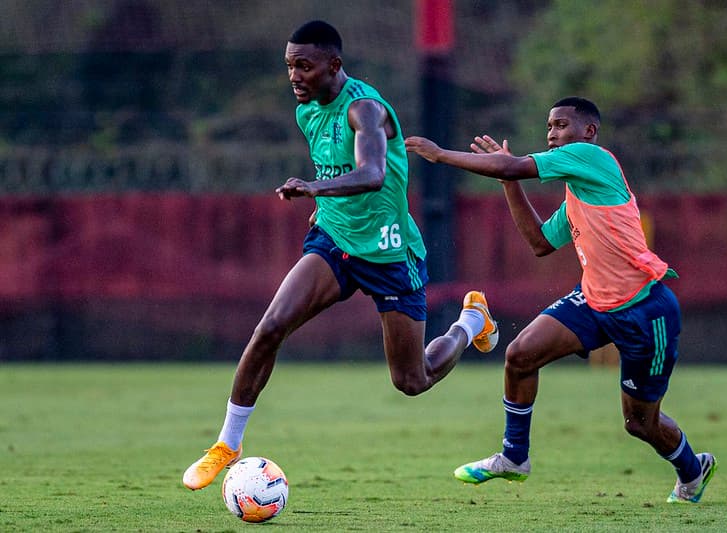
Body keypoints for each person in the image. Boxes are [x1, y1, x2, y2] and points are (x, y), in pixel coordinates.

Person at [182, 20, 498, 491]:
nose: (294, 76)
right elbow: (337, 168)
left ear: (334, 65)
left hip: (391, 255)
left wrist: (313, 189)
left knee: (413, 380)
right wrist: (324, 206)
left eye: (304, 66)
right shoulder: (307, 110)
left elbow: (371, 173)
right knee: (270, 327)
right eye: (289, 66)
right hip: (334, 242)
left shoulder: (365, 111)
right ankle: (228, 443)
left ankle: (470, 323)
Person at [405, 97, 716, 504]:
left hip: (646, 310)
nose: (552, 133)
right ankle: (514, 458)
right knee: (519, 355)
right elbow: (538, 243)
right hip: (593, 302)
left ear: (588, 132)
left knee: (639, 423)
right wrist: (508, 181)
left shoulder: (592, 157)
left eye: (561, 125)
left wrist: (443, 155)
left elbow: (513, 164)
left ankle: (693, 470)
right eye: (549, 126)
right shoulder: (577, 195)